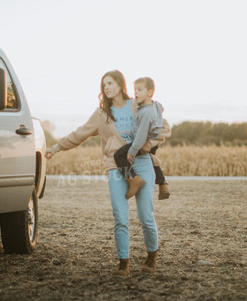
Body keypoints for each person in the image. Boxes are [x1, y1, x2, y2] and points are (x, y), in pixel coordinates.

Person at [45, 70, 170, 277]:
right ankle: (123, 262)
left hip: (142, 162)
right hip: (116, 165)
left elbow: (163, 128)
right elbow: (79, 134)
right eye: (104, 85)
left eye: (110, 83)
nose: (106, 88)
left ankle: (151, 256)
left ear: (121, 85)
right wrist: (56, 147)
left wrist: (150, 143)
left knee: (145, 215)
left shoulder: (138, 105)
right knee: (120, 216)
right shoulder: (102, 114)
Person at [113, 77, 170, 200]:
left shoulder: (146, 112)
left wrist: (132, 151)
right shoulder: (154, 107)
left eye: (139, 90)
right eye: (135, 90)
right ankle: (163, 183)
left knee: (118, 155)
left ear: (149, 93)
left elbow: (141, 135)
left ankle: (133, 180)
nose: (136, 93)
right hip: (152, 141)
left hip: (144, 141)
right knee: (151, 158)